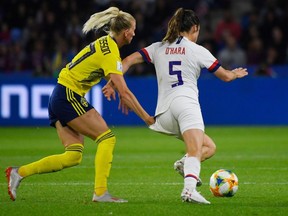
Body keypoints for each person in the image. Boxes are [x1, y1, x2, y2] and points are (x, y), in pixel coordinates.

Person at [5, 7, 154, 203]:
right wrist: (147, 118)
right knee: (107, 138)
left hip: (59, 94)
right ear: (126, 31)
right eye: (133, 29)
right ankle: (100, 193)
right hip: (68, 95)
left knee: (73, 155)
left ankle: (18, 172)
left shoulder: (106, 44)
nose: (134, 33)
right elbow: (125, 91)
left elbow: (112, 77)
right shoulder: (111, 53)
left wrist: (113, 86)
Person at [103, 8, 248, 204]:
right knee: (197, 150)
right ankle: (189, 191)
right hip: (186, 105)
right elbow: (225, 76)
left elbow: (127, 60)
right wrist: (235, 74)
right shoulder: (198, 50)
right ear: (195, 28)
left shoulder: (158, 47)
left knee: (209, 147)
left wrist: (113, 83)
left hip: (164, 114)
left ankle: (183, 164)